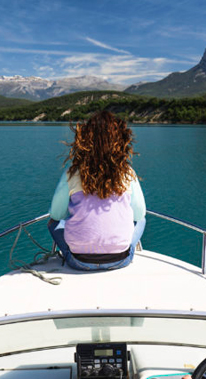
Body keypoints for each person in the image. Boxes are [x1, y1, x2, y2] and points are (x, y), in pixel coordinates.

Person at [48, 110, 146, 270]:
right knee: (141, 221)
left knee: (53, 223)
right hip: (121, 259)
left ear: (84, 141)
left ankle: (69, 253)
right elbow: (139, 214)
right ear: (120, 141)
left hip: (79, 261)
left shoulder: (72, 174)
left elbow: (56, 215)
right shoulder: (127, 173)